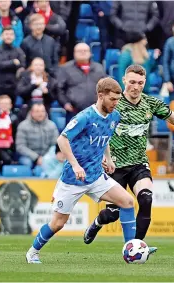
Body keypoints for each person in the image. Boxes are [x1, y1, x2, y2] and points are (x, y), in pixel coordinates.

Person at [83, 65, 174, 253]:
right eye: (132, 82)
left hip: (139, 163)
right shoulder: (114, 103)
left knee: (146, 199)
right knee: (112, 213)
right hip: (115, 166)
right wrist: (100, 157)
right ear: (124, 81)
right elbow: (95, 129)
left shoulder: (150, 103)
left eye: (139, 83)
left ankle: (135, 247)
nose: (135, 87)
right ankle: (98, 222)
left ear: (144, 83)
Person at [26, 77, 137, 264]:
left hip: (95, 176)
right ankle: (32, 252)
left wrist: (108, 158)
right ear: (101, 96)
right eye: (112, 99)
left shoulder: (114, 116)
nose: (116, 103)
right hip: (73, 179)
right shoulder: (85, 117)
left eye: (118, 100)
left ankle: (131, 251)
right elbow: (62, 140)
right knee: (58, 223)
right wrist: (76, 165)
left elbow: (105, 137)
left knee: (127, 201)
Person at [0, 26, 26, 110]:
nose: (9, 36)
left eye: (11, 34)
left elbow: (22, 65)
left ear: (14, 37)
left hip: (12, 85)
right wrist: (13, 62)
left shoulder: (18, 50)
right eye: (6, 34)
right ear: (2, 36)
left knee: (10, 111)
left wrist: (10, 64)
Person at [16, 103, 58, 168]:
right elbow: (20, 147)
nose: (40, 114)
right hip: (28, 157)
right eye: (37, 111)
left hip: (48, 156)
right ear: (31, 113)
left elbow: (54, 145)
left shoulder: (52, 125)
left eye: (42, 111)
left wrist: (46, 158)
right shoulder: (23, 125)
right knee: (27, 162)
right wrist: (36, 158)